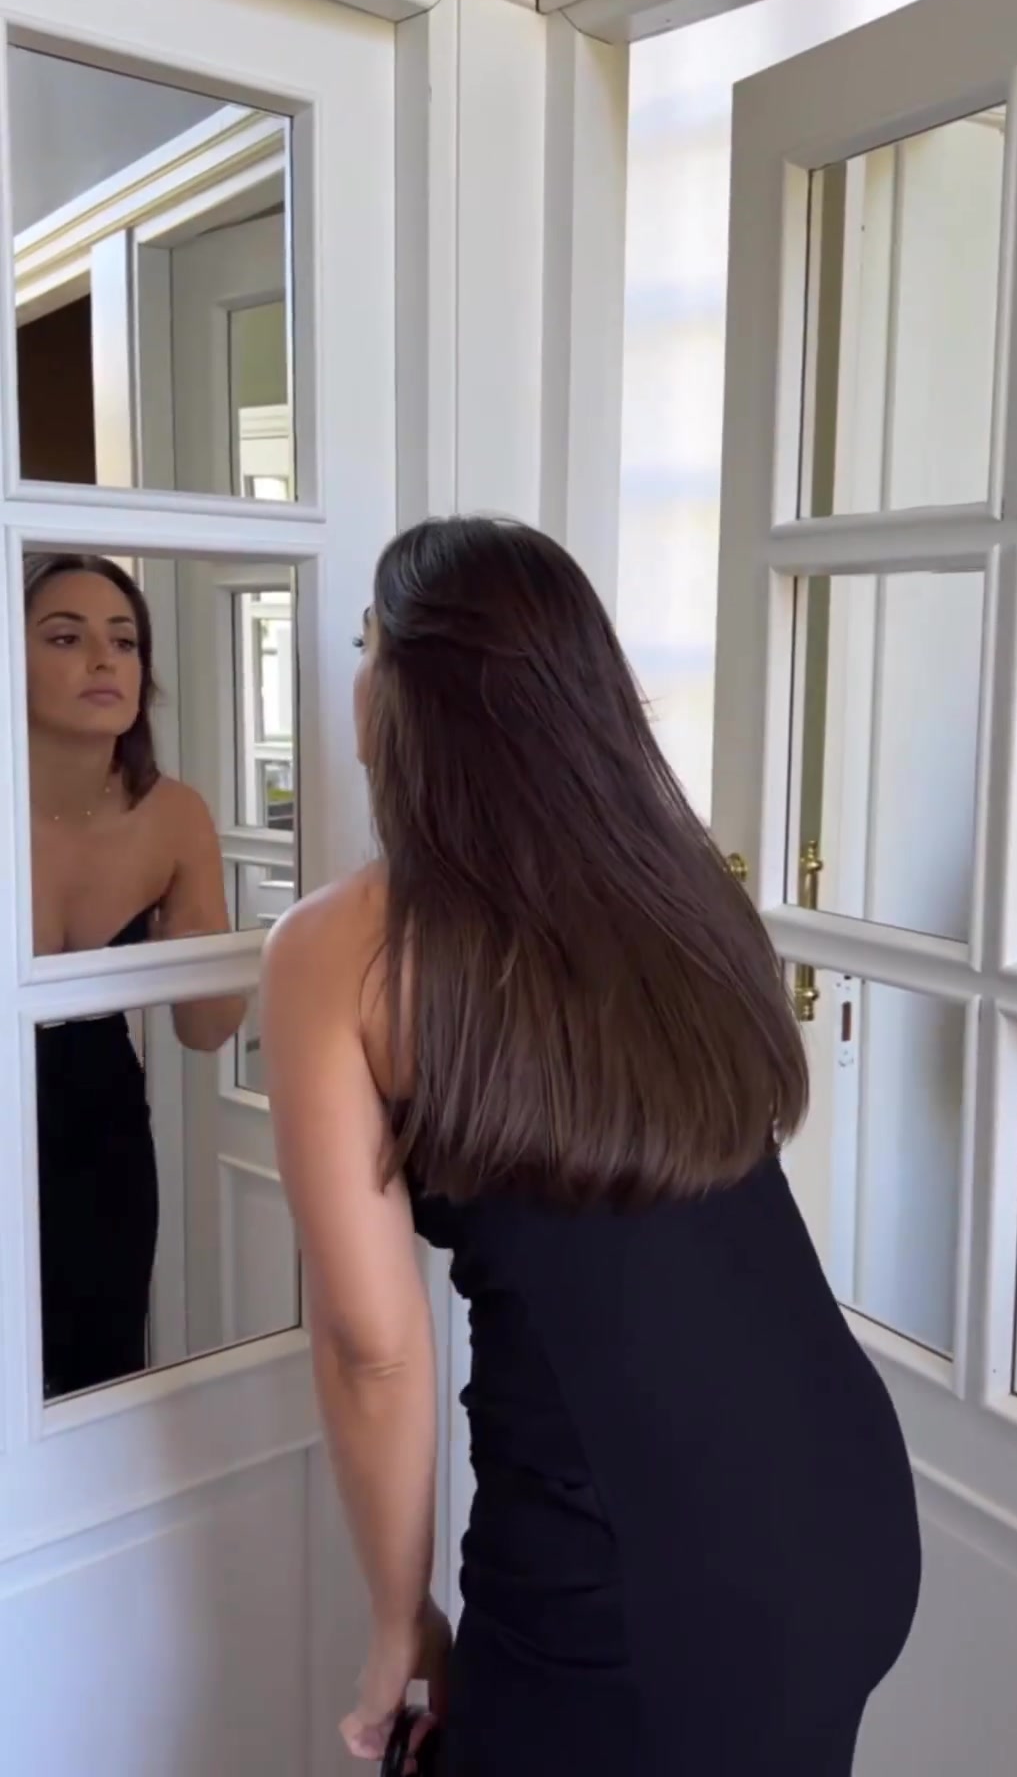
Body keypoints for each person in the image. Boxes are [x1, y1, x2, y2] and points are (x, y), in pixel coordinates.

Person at [261, 517, 922, 1777]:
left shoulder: (340, 949)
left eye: (364, 648)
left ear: (411, 696)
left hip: (630, 1577)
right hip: (847, 1508)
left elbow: (372, 1350)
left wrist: (399, 1621)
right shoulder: (678, 888)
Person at [26, 551, 246, 1398]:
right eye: (65, 637)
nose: (104, 659)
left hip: (100, 1129)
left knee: (100, 1374)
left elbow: (206, 1030)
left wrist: (214, 943)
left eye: (123, 640)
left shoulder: (174, 814)